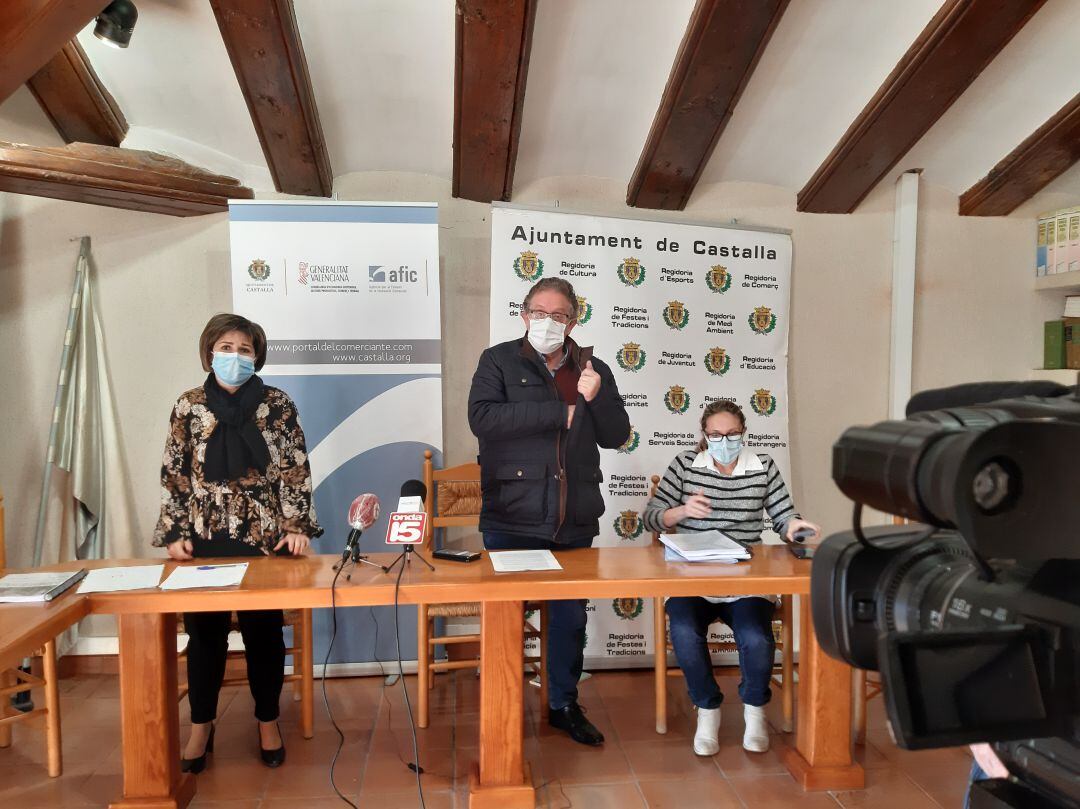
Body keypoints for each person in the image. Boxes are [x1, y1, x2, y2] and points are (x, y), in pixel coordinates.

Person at [153, 313, 322, 773]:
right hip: (204, 537)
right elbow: (175, 472)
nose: (234, 356)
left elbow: (294, 469)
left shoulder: (277, 405)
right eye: (225, 348)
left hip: (264, 538)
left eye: (244, 350)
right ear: (209, 352)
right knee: (205, 636)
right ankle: (201, 727)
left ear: (257, 357)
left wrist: (296, 526)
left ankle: (268, 720)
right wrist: (174, 532)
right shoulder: (188, 406)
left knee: (263, 634)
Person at [468, 277, 630, 746]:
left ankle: (563, 703)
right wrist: (559, 412)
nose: (547, 322)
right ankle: (503, 701)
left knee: (569, 619)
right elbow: (483, 420)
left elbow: (616, 435)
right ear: (523, 315)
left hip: (573, 517)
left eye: (558, 316)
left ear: (574, 321)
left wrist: (595, 397)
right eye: (538, 312)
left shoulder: (592, 366)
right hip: (512, 514)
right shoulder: (498, 359)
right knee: (505, 618)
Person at [642, 400, 819, 757]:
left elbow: (785, 515)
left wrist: (795, 527)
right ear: (704, 437)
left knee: (756, 637)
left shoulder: (763, 466)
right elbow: (651, 517)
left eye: (732, 434)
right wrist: (681, 511)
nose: (724, 440)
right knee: (685, 633)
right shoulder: (685, 464)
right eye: (715, 435)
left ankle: (755, 711)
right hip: (692, 578)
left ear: (744, 433)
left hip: (745, 580)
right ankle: (707, 710)